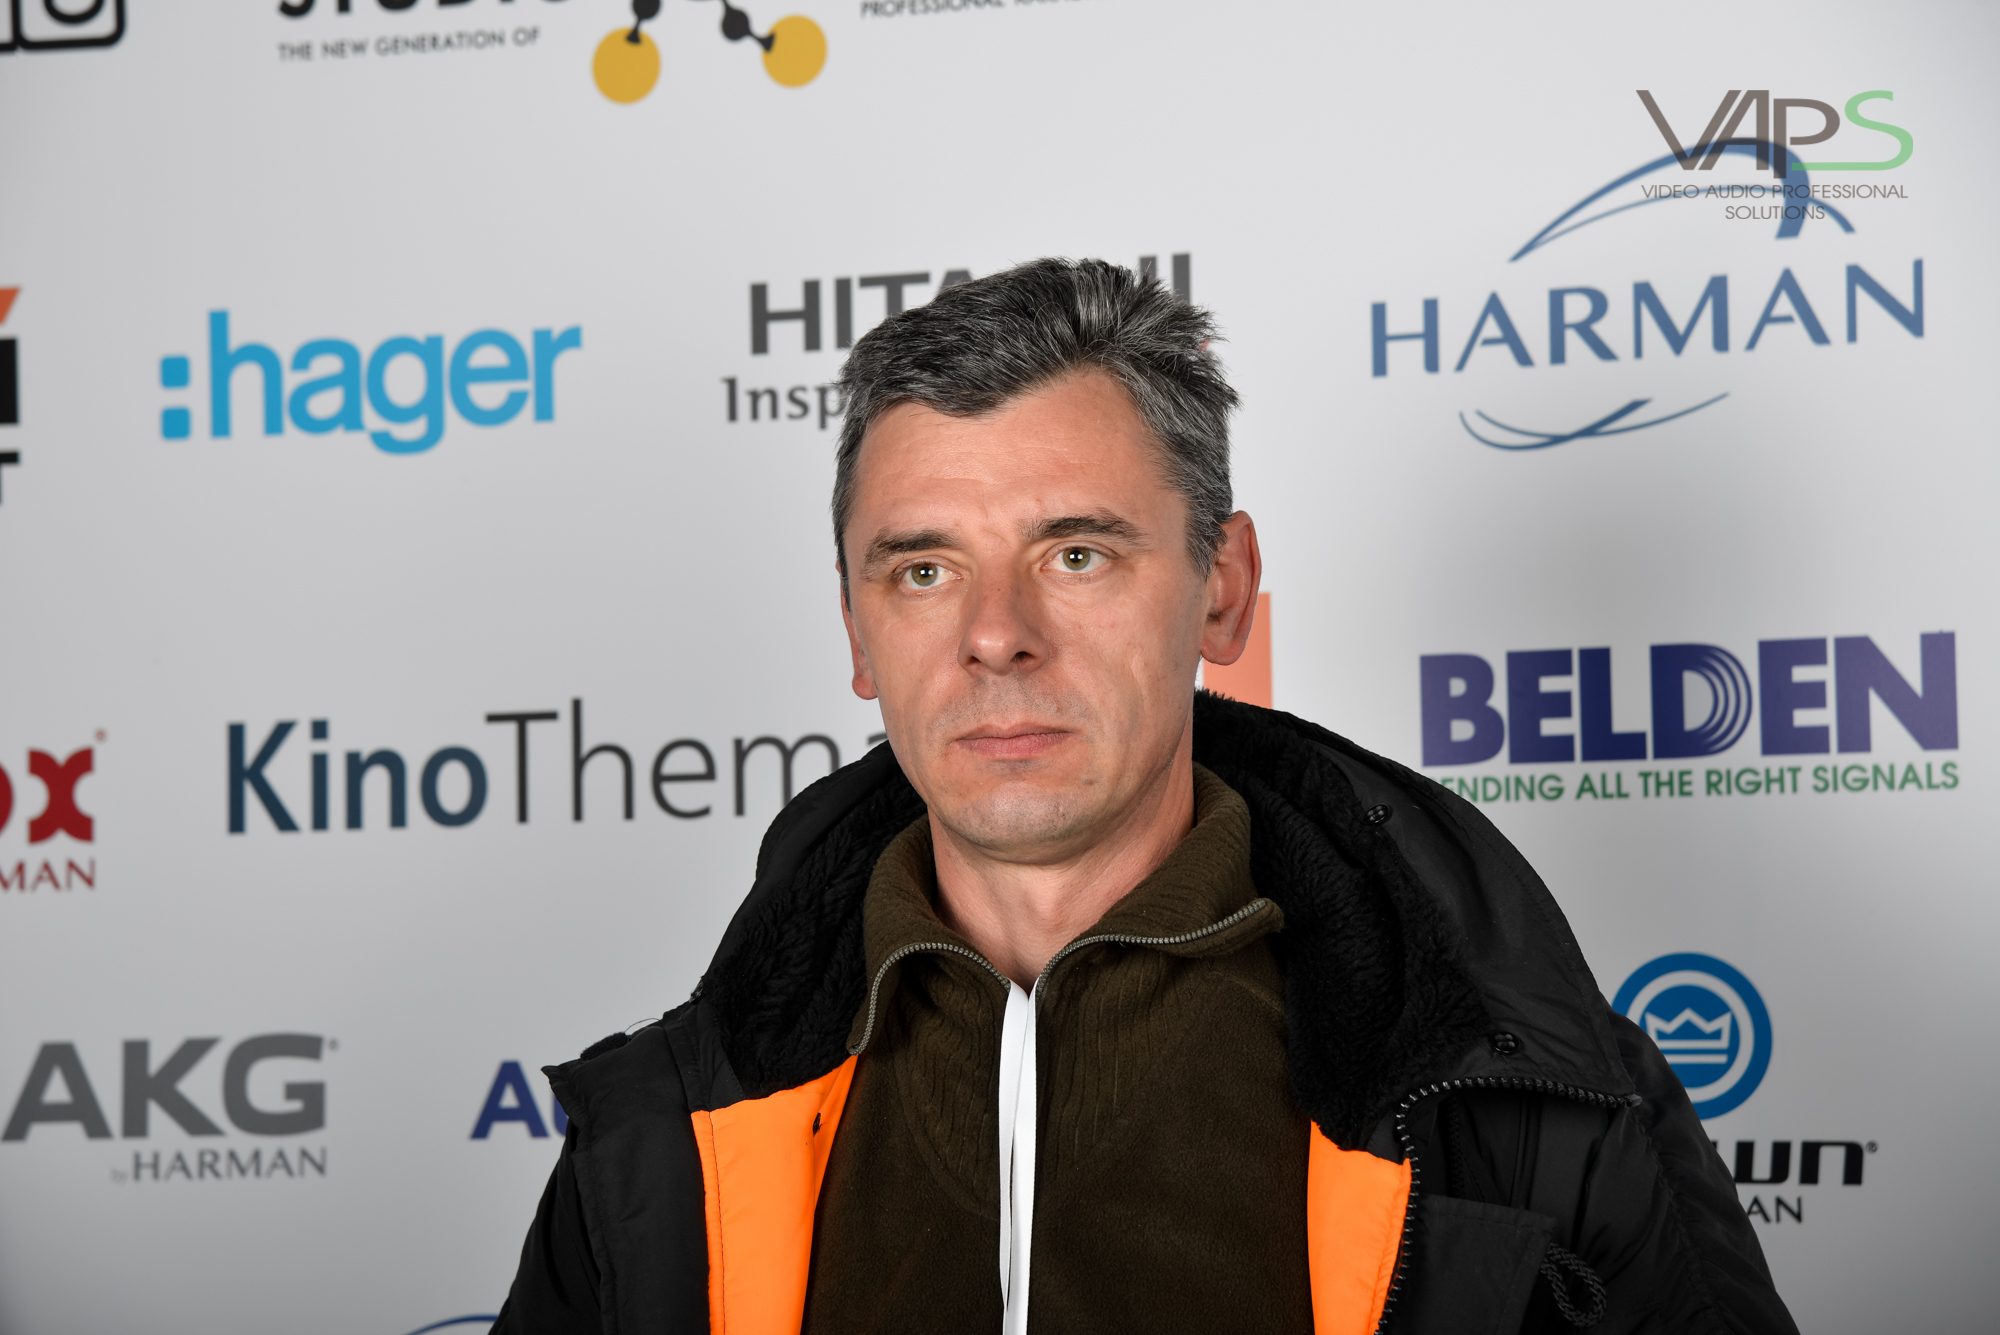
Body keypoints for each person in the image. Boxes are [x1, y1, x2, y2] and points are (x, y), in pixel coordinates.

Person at [493, 259, 1798, 1334]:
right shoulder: (661, 1131)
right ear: (856, 629)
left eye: (1074, 553)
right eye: (924, 571)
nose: (995, 637)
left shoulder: (1522, 1114)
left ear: (1221, 590)